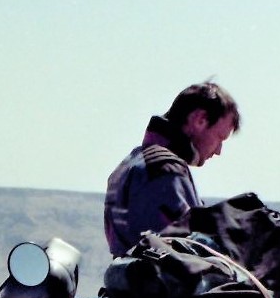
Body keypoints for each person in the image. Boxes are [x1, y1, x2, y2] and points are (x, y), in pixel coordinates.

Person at [103, 81, 241, 255]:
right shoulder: (163, 169)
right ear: (200, 120)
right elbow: (183, 251)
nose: (219, 150)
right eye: (220, 137)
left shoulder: (133, 162)